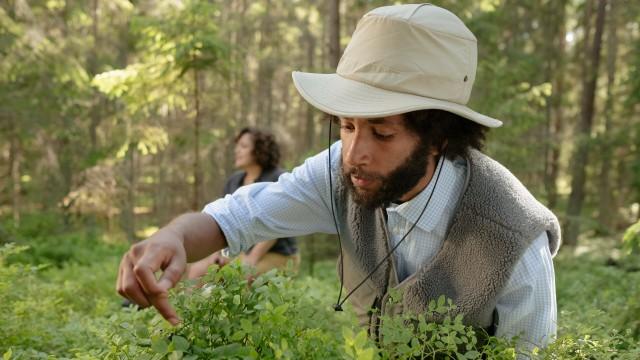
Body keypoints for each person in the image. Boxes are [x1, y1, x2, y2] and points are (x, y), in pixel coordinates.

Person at [116, 3, 560, 352]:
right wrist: (172, 237)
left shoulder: (512, 237)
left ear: (440, 138)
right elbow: (237, 218)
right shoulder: (340, 172)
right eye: (347, 126)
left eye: (382, 132)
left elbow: (531, 351)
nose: (354, 153)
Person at [185, 127, 299, 279]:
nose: (237, 151)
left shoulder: (277, 177)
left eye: (244, 146)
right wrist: (219, 254)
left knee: (240, 275)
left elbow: (274, 229)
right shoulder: (234, 181)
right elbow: (223, 221)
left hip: (278, 254)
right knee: (198, 270)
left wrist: (251, 259)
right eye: (237, 146)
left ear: (260, 150)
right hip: (243, 252)